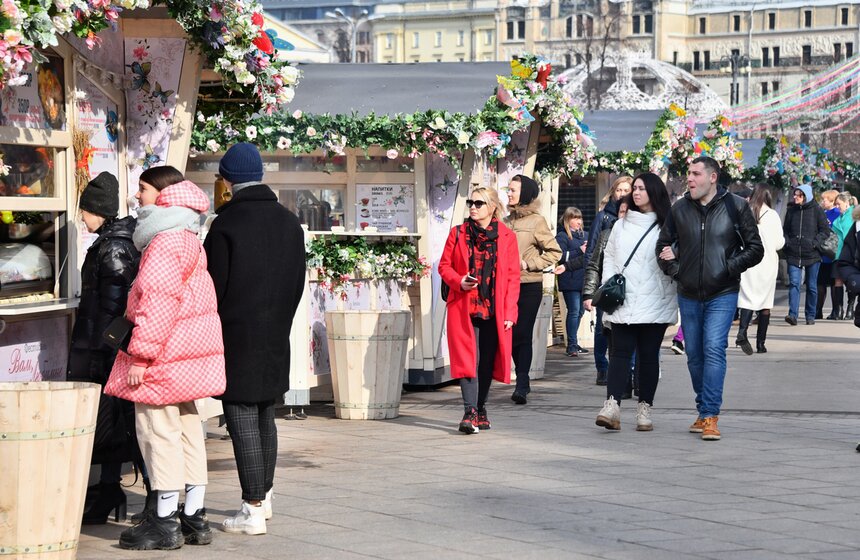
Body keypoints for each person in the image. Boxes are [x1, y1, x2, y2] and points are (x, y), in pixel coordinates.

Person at [105, 167, 226, 550]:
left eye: (142, 189)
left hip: (163, 357)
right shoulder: (189, 235)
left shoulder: (163, 242)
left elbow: (158, 303)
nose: (137, 197)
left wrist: (140, 356)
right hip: (186, 355)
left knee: (158, 434)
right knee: (189, 429)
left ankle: (163, 521)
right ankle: (194, 515)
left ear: (163, 194)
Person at [204, 143, 306, 535]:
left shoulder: (226, 225)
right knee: (266, 414)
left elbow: (213, 286)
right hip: (276, 331)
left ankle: (252, 507)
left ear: (227, 180)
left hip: (236, 333)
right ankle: (265, 497)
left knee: (241, 415)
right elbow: (297, 282)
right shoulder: (288, 221)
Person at [656, 157, 763, 441]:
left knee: (714, 348)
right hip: (688, 293)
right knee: (694, 355)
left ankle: (710, 415)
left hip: (722, 292)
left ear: (712, 177)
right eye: (688, 174)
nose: (689, 179)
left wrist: (727, 268)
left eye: (695, 174)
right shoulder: (679, 209)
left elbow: (756, 248)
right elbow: (662, 246)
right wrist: (678, 270)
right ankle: (703, 409)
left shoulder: (736, 206)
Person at [67, 172, 140, 524]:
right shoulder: (113, 241)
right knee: (113, 425)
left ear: (100, 211)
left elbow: (113, 308)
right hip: (106, 350)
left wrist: (103, 353)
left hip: (108, 353)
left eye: (85, 210)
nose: (82, 217)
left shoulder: (112, 247)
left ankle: (149, 495)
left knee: (118, 424)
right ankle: (111, 489)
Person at [594, 173, 676, 432]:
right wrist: (607, 286)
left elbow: (677, 258)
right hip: (624, 299)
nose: (636, 192)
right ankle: (612, 406)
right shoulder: (621, 223)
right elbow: (610, 257)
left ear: (654, 192)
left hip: (656, 300)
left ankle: (644, 409)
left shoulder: (668, 225)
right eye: (635, 189)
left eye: (642, 188)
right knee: (618, 353)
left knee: (649, 356)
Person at [438, 187, 520, 433]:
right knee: (467, 359)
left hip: (494, 309)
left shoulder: (507, 236)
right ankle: (469, 412)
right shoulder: (458, 233)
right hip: (464, 305)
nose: (473, 207)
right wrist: (458, 281)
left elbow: (513, 278)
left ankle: (481, 407)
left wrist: (510, 313)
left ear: (492, 207)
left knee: (485, 362)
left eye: (479, 203)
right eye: (470, 202)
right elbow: (444, 266)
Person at [505, 175, 562, 404]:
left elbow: (554, 252)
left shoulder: (537, 221)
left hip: (529, 285)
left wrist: (530, 263)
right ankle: (522, 379)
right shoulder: (504, 221)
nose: (508, 193)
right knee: (510, 335)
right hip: (506, 287)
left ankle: (521, 382)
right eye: (507, 189)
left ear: (525, 194)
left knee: (522, 333)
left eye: (513, 190)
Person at [585, 176, 633, 385]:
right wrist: (589, 288)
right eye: (619, 190)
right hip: (606, 283)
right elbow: (592, 254)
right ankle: (601, 367)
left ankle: (627, 371)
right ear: (613, 192)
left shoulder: (636, 218)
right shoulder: (604, 218)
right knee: (603, 329)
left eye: (626, 190)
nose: (622, 193)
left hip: (628, 285)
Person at [736, 185, 785, 354]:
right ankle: (760, 344)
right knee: (765, 303)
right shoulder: (772, 215)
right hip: (767, 263)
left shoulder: (745, 212)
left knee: (747, 299)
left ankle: (742, 332)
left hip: (748, 261)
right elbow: (779, 242)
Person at [782, 184, 831, 325]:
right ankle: (793, 315)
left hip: (812, 255)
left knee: (811, 286)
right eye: (795, 194)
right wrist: (788, 242)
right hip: (793, 253)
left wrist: (814, 243)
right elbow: (785, 230)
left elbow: (825, 231)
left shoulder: (817, 210)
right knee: (794, 284)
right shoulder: (791, 211)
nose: (795, 197)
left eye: (799, 195)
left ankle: (810, 315)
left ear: (806, 196)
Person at [554, 207, 588, 357]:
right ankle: (571, 345)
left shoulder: (586, 235)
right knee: (573, 311)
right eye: (574, 218)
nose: (578, 221)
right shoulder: (562, 236)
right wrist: (580, 250)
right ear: (568, 220)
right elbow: (560, 257)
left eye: (579, 218)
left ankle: (574, 342)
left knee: (580, 311)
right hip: (569, 279)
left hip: (584, 280)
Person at [831, 192, 856, 320]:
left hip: (851, 253)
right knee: (837, 281)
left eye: (838, 204)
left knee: (851, 282)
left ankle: (850, 309)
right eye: (835, 205)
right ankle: (838, 310)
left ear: (846, 203)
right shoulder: (838, 219)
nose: (837, 207)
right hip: (838, 254)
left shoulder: (854, 215)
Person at [816, 190, 841, 319]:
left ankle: (835, 310)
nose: (822, 202)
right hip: (821, 254)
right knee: (820, 284)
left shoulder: (836, 214)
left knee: (833, 284)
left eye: (825, 199)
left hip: (833, 254)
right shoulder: (821, 213)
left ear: (832, 200)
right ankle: (818, 310)